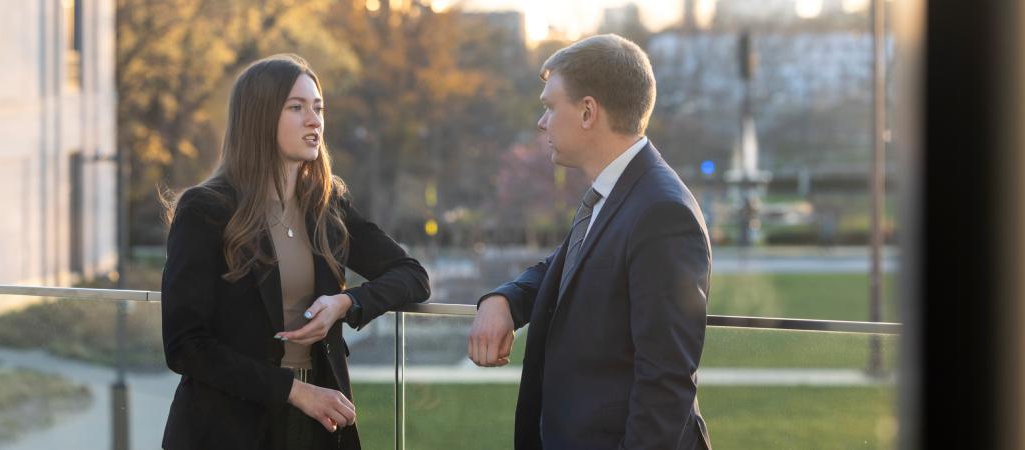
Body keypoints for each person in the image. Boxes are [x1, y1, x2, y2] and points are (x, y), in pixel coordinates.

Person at [160, 54, 430, 450]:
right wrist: (294, 392)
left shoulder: (326, 203)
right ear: (260, 117)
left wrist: (346, 303)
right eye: (297, 107)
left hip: (318, 424)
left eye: (318, 108)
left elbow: (412, 275)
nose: (314, 120)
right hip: (226, 427)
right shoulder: (206, 210)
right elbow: (185, 346)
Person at [467, 34, 713, 449]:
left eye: (549, 107)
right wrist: (504, 299)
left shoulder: (661, 213)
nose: (541, 122)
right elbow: (568, 267)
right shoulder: (618, 193)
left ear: (587, 112)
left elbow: (665, 386)